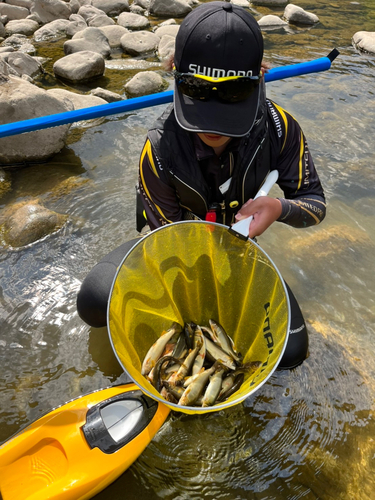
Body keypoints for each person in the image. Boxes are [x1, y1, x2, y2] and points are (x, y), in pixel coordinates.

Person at [77, 1, 326, 370]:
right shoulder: (159, 150)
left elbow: (315, 205)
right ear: (173, 72)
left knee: (290, 355)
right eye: (197, 96)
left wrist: (279, 208)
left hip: (239, 253)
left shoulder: (279, 129)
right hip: (175, 253)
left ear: (260, 77)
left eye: (229, 103)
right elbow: (169, 249)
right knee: (94, 301)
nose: (214, 127)